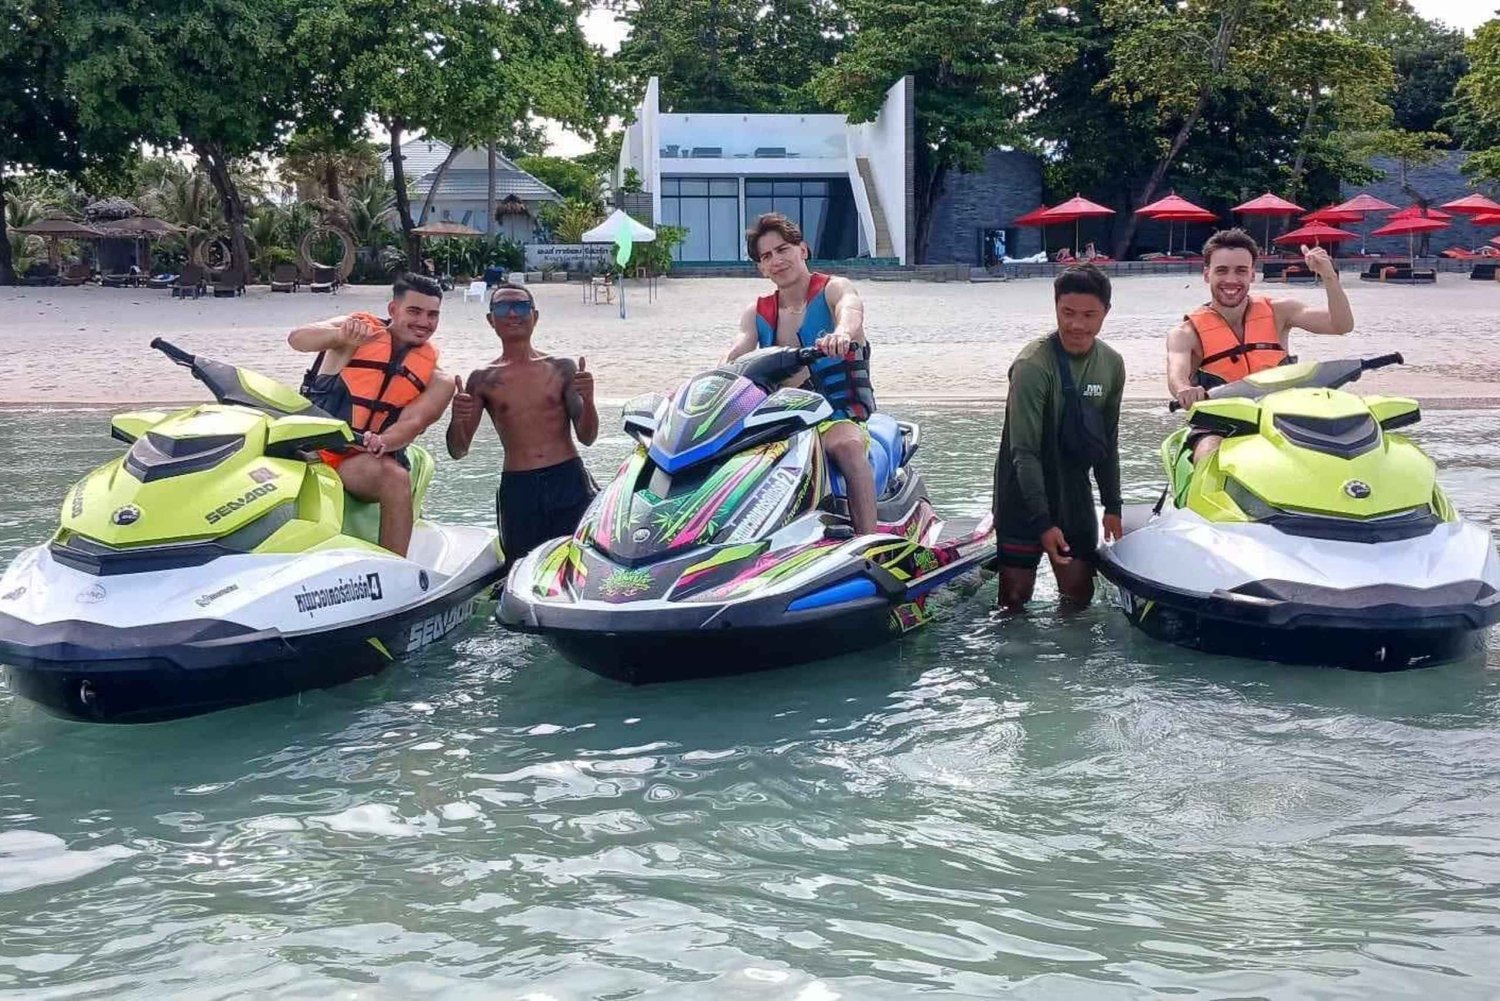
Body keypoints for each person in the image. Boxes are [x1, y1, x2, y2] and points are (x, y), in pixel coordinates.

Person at [724, 212, 878, 535]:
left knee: (847, 446)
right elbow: (738, 351)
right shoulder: (756, 313)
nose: (776, 260)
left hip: (838, 417)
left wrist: (842, 333)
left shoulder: (834, 289)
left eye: (783, 249)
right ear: (761, 268)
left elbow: (850, 309)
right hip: (782, 425)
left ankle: (868, 542)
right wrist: (717, 374)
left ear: (803, 250)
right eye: (767, 256)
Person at [289, 273, 457, 556]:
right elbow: (297, 339)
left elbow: (412, 422)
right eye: (414, 311)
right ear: (393, 309)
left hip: (355, 460)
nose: (424, 322)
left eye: (432, 315)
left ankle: (395, 566)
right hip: (309, 448)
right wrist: (339, 336)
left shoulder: (440, 380)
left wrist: (384, 441)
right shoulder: (356, 328)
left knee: (395, 476)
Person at [992, 265, 1125, 611]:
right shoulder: (1032, 365)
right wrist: (1043, 522)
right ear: (1055, 308)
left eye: (1089, 315)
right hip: (1021, 495)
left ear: (1106, 313)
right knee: (1013, 601)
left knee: (1079, 598)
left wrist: (1113, 506)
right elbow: (1024, 451)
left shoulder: (1112, 364)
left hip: (1073, 492)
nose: (1077, 324)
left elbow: (1108, 442)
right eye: (1067, 313)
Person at [445, 283, 599, 566]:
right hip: (519, 487)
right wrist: (457, 418)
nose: (513, 314)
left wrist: (588, 400)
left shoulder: (562, 368)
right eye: (503, 307)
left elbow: (587, 436)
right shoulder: (483, 379)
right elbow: (458, 450)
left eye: (521, 306)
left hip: (568, 480)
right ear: (491, 320)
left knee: (581, 565)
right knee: (520, 568)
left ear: (535, 316)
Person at [1167, 228, 1354, 462]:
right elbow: (1176, 374)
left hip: (1282, 418)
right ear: (1207, 275)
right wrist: (1184, 389)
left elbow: (1341, 325)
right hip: (1219, 425)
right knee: (1208, 450)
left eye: (1241, 271)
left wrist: (1328, 275)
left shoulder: (1280, 312)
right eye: (1222, 271)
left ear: (1252, 275)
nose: (1231, 280)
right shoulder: (1185, 333)